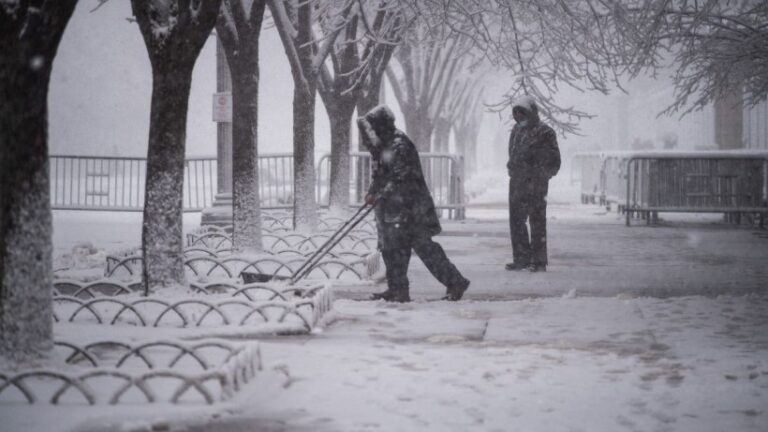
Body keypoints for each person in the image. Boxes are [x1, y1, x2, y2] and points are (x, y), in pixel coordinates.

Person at [357, 105, 470, 302]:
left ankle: (455, 282)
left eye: (374, 127)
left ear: (382, 125)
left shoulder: (399, 144)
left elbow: (400, 177)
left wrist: (381, 194)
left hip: (412, 209)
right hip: (397, 209)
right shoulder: (385, 145)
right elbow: (380, 176)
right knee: (392, 249)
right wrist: (372, 193)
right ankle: (398, 289)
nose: (372, 132)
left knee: (424, 249)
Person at [505, 96, 561, 272]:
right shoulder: (516, 131)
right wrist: (512, 168)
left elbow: (554, 160)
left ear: (531, 113)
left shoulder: (545, 132)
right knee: (516, 221)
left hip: (536, 183)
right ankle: (521, 258)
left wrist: (541, 174)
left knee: (537, 221)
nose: (520, 119)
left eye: (523, 114)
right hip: (517, 182)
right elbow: (512, 153)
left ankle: (538, 261)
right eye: (517, 115)